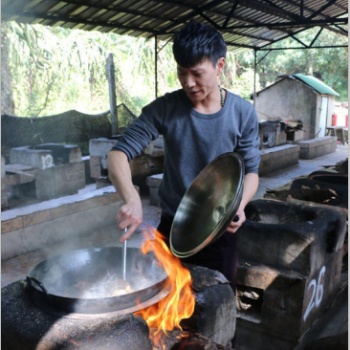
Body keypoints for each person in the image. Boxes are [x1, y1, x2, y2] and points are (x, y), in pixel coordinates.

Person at [107, 21, 260, 292]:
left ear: (219, 66)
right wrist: (132, 199)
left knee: (217, 301)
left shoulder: (242, 113)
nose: (189, 83)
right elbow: (118, 154)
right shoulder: (165, 108)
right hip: (172, 227)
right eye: (182, 72)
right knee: (165, 302)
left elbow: (251, 171)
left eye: (197, 73)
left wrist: (240, 206)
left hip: (220, 229)